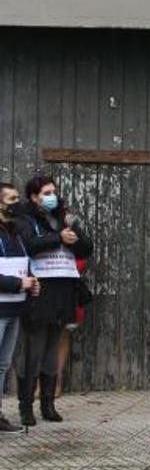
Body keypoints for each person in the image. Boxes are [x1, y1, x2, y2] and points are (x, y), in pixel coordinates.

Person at [14, 176, 93, 426]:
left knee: (51, 352)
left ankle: (48, 403)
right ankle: (26, 406)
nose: (53, 196)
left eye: (54, 191)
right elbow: (29, 244)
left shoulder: (63, 217)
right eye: (47, 192)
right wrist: (58, 238)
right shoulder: (24, 219)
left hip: (62, 291)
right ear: (35, 197)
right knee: (33, 352)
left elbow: (86, 248)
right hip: (39, 292)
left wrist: (74, 236)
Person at [0, 183, 38, 434]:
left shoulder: (14, 232)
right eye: (11, 198)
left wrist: (31, 282)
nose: (16, 202)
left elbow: (20, 264)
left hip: (14, 308)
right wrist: (17, 283)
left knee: (3, 364)